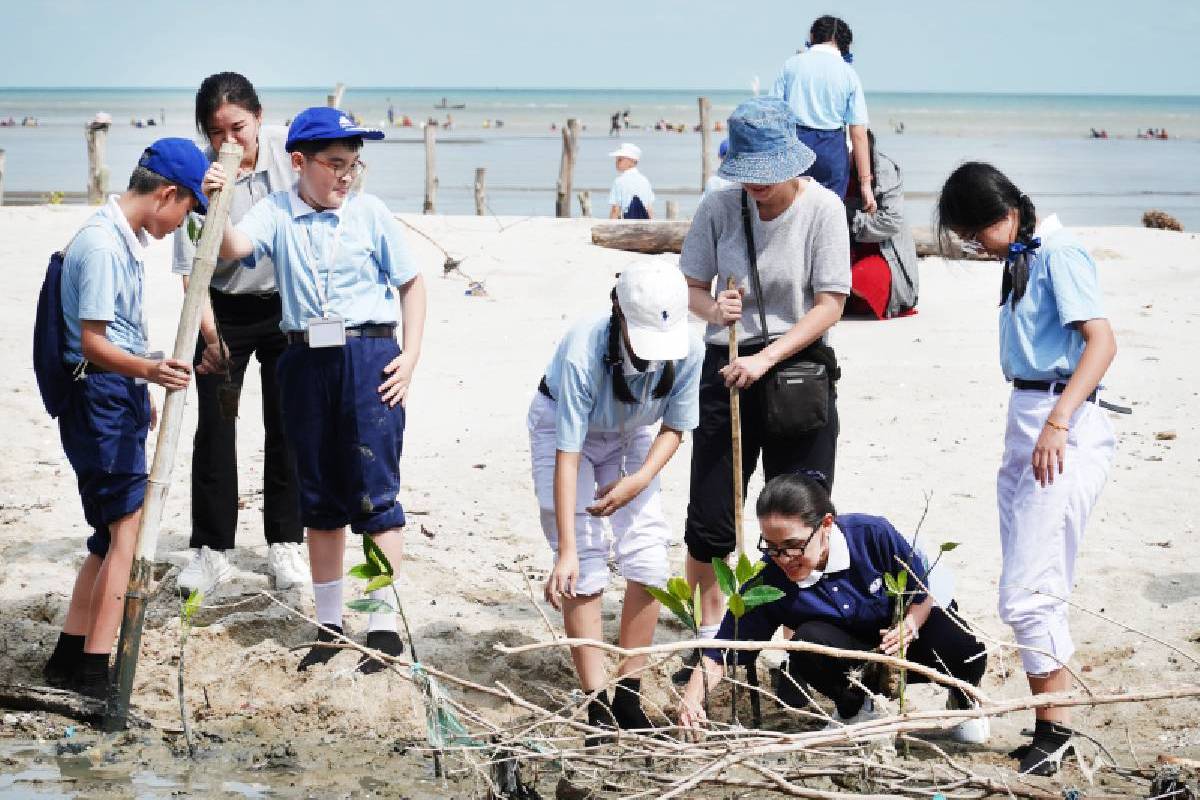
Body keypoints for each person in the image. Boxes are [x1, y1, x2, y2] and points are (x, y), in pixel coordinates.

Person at [205, 106, 427, 674]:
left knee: (376, 488)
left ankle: (380, 625)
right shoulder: (276, 211)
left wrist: (412, 356)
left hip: (369, 354)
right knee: (319, 496)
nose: (346, 175)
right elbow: (231, 247)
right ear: (299, 162)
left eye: (354, 164)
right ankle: (329, 624)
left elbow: (411, 283)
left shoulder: (371, 213)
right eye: (334, 164)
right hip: (304, 356)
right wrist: (218, 197)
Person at [937, 162, 1119, 775]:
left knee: (1027, 592)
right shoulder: (1023, 254)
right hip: (1027, 413)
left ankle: (1055, 729)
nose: (975, 248)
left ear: (1004, 215)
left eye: (974, 235)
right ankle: (1051, 726)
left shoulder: (1059, 253)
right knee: (1033, 582)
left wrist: (1059, 421)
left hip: (1058, 419)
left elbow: (1102, 341)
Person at [676, 97, 850, 682]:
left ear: (793, 164)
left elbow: (831, 304)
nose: (758, 189)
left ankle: (800, 641)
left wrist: (767, 357)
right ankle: (710, 641)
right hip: (724, 368)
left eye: (767, 178)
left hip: (797, 372)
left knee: (799, 511)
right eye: (748, 177)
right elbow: (693, 290)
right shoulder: (720, 206)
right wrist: (715, 307)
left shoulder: (824, 209)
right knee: (712, 517)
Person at [39, 138, 205, 697]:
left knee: (105, 537)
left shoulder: (120, 237)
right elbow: (90, 344)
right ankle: (93, 671)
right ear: (168, 194)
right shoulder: (104, 246)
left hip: (114, 394)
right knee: (126, 535)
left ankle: (67, 656)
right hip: (98, 400)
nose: (184, 223)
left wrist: (140, 381)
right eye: (187, 210)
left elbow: (115, 340)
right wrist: (149, 372)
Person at [678, 474, 990, 743]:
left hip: (903, 645)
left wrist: (910, 624)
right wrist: (691, 701)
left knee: (967, 650)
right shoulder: (768, 580)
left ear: (826, 525)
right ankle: (855, 707)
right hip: (850, 661)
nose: (783, 558)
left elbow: (923, 590)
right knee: (806, 641)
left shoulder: (871, 535)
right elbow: (721, 652)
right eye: (771, 547)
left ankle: (963, 699)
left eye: (792, 545)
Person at [534, 262, 702, 738]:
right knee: (583, 560)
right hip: (566, 433)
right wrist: (564, 549)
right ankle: (595, 701)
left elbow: (676, 426)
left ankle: (628, 692)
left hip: (635, 433)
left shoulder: (688, 348)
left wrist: (640, 479)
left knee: (648, 555)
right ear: (619, 313)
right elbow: (568, 454)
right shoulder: (583, 352)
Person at [173, 72, 307, 599]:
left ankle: (285, 542)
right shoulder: (201, 175)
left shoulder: (285, 151)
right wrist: (209, 336)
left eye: (239, 127)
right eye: (217, 132)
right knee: (216, 427)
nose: (229, 141)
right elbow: (191, 268)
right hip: (222, 311)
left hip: (285, 307)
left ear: (258, 117)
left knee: (288, 424)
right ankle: (212, 550)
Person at [771, 15, 873, 210]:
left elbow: (773, 114)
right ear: (845, 44)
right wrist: (865, 184)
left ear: (812, 36)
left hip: (794, 143)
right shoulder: (849, 74)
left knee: (791, 211)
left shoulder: (791, 65)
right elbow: (858, 134)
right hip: (831, 148)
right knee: (828, 213)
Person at [844, 129, 918, 319]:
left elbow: (890, 222)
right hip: (846, 251)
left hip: (882, 252)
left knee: (861, 279)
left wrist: (851, 218)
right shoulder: (835, 167)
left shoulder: (884, 169)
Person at [607, 143, 655, 219]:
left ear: (631, 162)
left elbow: (615, 209)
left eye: (620, 160)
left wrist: (609, 228)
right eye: (616, 159)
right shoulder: (645, 180)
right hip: (643, 226)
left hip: (626, 225)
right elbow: (649, 209)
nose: (616, 162)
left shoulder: (619, 181)